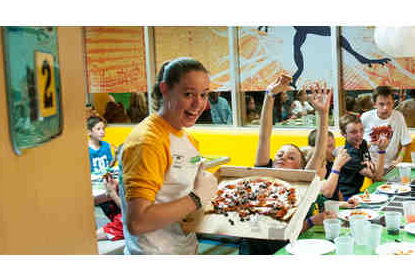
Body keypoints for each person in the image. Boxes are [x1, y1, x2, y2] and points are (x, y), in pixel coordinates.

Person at [120, 58, 219, 255]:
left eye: (204, 94)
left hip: (185, 248)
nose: (198, 104)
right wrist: (195, 198)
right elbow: (137, 222)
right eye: (188, 94)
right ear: (165, 89)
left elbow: (180, 198)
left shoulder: (188, 138)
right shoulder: (147, 142)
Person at [240, 73, 335, 255]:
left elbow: (319, 153)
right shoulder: (264, 176)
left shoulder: (302, 184)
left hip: (283, 250)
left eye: (291, 158)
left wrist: (323, 114)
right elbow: (264, 135)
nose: (282, 158)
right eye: (280, 154)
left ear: (300, 169)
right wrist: (269, 96)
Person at [334, 114, 389, 201]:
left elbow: (373, 170)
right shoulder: (349, 155)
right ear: (343, 134)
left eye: (361, 130)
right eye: (353, 132)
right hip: (346, 197)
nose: (359, 135)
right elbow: (376, 177)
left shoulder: (362, 143)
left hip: (357, 193)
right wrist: (382, 150)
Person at [361, 86, 412, 171]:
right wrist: (366, 160)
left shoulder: (398, 117)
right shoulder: (365, 117)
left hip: (391, 166)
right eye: (381, 104)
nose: (386, 108)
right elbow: (359, 144)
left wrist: (399, 160)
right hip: (371, 166)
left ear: (393, 103)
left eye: (389, 103)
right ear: (374, 104)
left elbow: (406, 143)